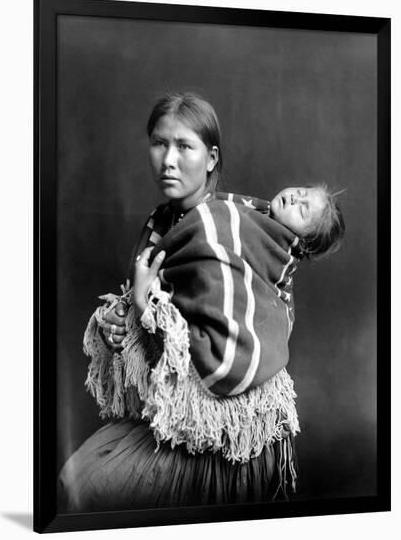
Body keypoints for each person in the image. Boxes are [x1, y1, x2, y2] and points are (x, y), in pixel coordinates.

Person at [57, 93, 345, 513]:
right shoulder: (162, 223)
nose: (168, 160)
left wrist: (143, 305)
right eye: (159, 143)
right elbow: (157, 329)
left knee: (81, 488)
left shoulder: (221, 228)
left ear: (210, 158)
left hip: (224, 432)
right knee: (71, 484)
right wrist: (121, 325)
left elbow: (218, 355)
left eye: (184, 146)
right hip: (173, 411)